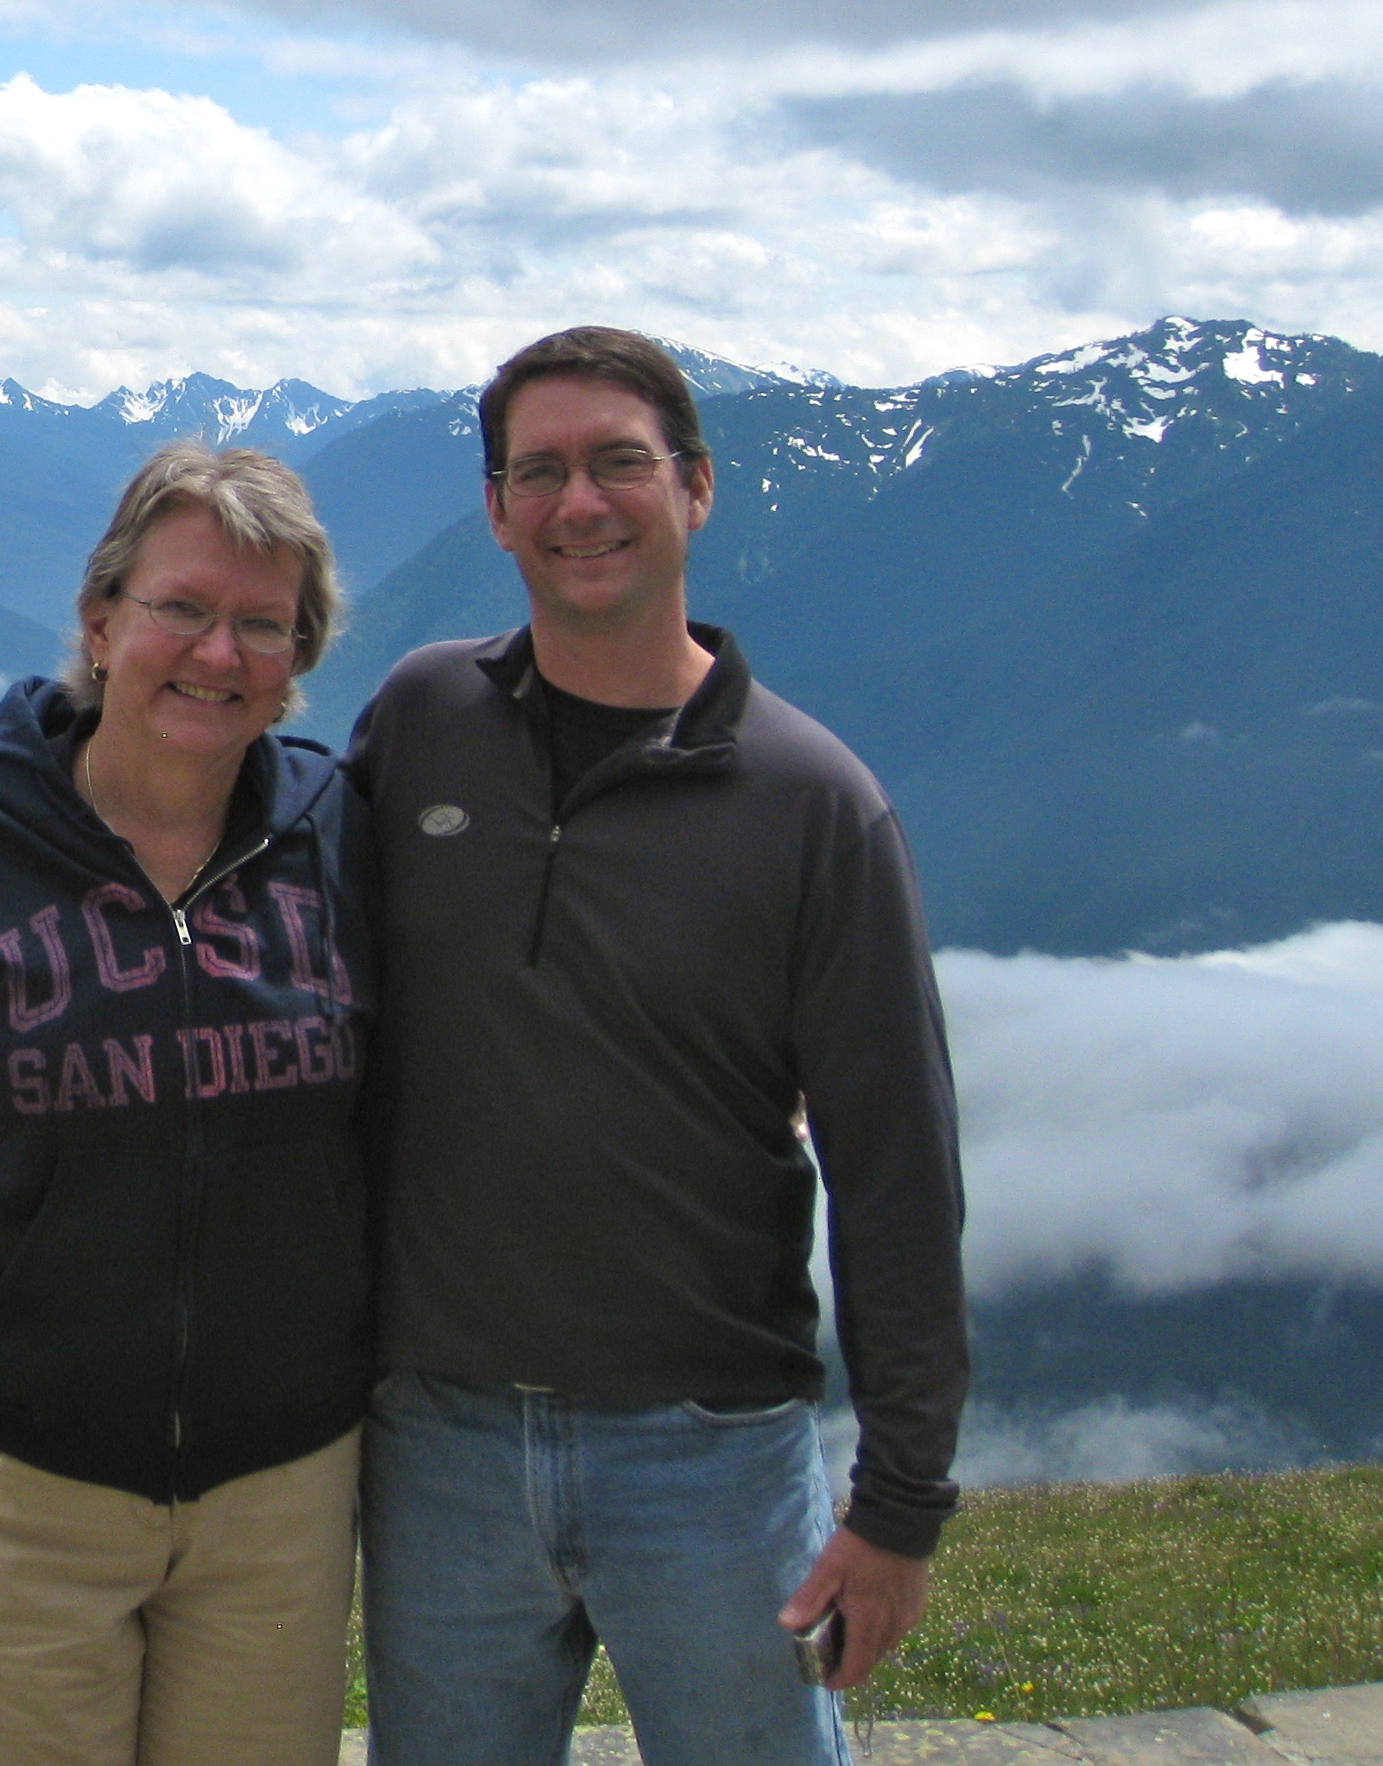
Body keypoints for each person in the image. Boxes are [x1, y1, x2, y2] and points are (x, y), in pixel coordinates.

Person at [348, 326, 966, 1766]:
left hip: (712, 1452)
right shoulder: (422, 720)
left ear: (696, 486)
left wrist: (900, 1506)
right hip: (438, 1437)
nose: (581, 502)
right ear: (496, 510)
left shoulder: (815, 805)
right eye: (540, 472)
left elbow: (897, 1173)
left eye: (619, 463)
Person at [0, 443, 374, 1766]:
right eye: (180, 608)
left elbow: (402, 1131)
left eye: (261, 624)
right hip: (17, 1489)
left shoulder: (336, 835)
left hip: (280, 1495)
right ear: (101, 623)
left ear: (297, 659)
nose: (217, 652)